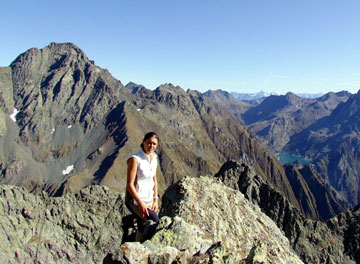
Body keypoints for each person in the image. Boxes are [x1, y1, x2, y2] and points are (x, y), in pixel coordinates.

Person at [125, 132, 160, 242]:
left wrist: (155, 200)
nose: (151, 146)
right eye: (149, 143)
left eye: (154, 144)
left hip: (149, 198)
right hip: (135, 199)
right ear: (143, 142)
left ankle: (137, 248)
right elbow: (129, 185)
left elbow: (154, 179)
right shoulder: (135, 159)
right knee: (155, 221)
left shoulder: (154, 157)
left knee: (143, 226)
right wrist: (140, 204)